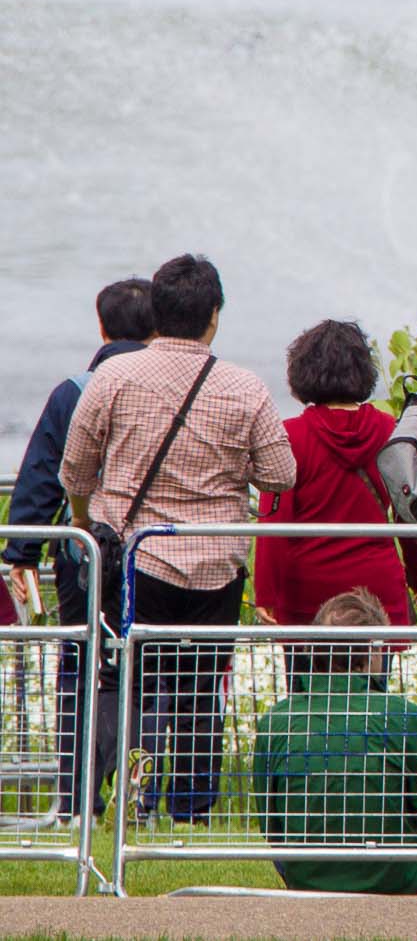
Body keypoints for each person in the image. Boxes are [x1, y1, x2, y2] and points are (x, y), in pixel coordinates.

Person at [60, 254, 297, 823]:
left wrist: (86, 519)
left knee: (126, 683)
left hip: (135, 558)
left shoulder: (113, 378)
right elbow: (281, 475)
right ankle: (189, 808)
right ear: (214, 316)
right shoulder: (245, 387)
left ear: (157, 312)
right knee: (197, 694)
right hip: (216, 564)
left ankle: (115, 802)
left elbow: (74, 470)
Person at [5, 277, 152, 820]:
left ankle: (77, 795)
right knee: (155, 669)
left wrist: (22, 550)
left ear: (102, 326)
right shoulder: (169, 387)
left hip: (85, 552)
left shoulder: (73, 388)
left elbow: (42, 476)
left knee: (82, 667)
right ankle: (149, 798)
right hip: (156, 553)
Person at [252, 588, 417, 895]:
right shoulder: (402, 715)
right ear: (373, 650)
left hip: (306, 874)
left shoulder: (276, 721)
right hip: (396, 876)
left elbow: (271, 824)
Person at [255, 320, 417, 640]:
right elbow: (409, 513)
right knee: (374, 687)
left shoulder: (291, 436)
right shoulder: (391, 430)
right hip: (376, 590)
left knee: (307, 688)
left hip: (308, 592)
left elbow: (275, 521)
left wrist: (266, 591)